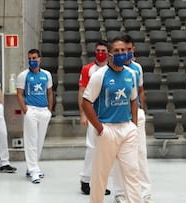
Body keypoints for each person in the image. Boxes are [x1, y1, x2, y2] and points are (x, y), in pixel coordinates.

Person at [82, 36, 142, 203]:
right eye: (117, 51)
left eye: (124, 50)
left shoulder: (131, 74)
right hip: (107, 130)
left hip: (127, 130)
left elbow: (133, 101)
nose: (121, 53)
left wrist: (134, 127)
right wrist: (100, 128)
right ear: (109, 54)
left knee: (133, 174)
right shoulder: (99, 76)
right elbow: (86, 103)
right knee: (100, 176)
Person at [112, 34, 153, 203]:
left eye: (129, 50)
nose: (126, 53)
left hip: (137, 116)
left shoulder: (137, 68)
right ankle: (120, 194)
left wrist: (140, 108)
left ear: (133, 50)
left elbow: (141, 90)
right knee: (118, 156)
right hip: (119, 117)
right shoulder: (112, 70)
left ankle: (145, 192)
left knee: (140, 154)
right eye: (123, 50)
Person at [78, 40, 111, 196]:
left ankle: (100, 183)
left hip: (109, 115)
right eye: (98, 50)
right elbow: (82, 92)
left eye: (103, 50)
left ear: (108, 52)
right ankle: (85, 180)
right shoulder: (87, 69)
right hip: (93, 114)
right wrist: (83, 113)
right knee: (92, 148)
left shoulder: (112, 69)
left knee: (106, 151)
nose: (100, 52)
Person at [16, 49, 53, 184]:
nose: (32, 60)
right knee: (31, 141)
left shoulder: (47, 75)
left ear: (39, 59)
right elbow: (19, 94)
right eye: (30, 58)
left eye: (34, 58)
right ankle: (34, 171)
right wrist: (25, 110)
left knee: (39, 141)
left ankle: (32, 166)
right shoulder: (23, 75)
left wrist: (49, 110)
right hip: (31, 110)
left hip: (44, 111)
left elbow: (49, 93)